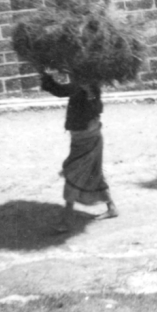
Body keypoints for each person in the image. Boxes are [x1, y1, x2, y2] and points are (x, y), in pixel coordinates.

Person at [41, 72, 118, 231]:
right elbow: (64, 91)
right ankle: (112, 208)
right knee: (92, 172)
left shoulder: (88, 83)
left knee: (73, 171)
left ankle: (66, 220)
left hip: (87, 136)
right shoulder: (85, 82)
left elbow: (95, 106)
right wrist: (46, 77)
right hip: (85, 135)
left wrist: (44, 75)